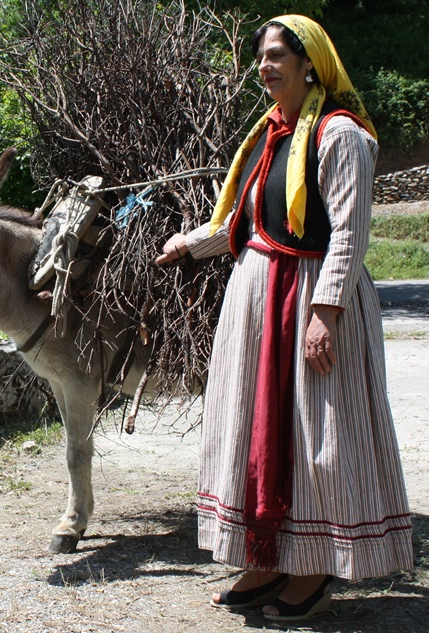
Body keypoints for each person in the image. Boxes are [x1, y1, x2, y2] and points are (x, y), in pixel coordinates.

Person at [155, 15, 413, 622]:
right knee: (256, 427)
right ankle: (269, 556)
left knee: (316, 433)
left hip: (314, 299)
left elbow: (349, 234)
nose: (266, 66)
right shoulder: (269, 135)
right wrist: (188, 245)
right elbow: (242, 225)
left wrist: (326, 311)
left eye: (277, 56)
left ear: (308, 63)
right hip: (259, 299)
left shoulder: (338, 135)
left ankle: (316, 565)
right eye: (261, 57)